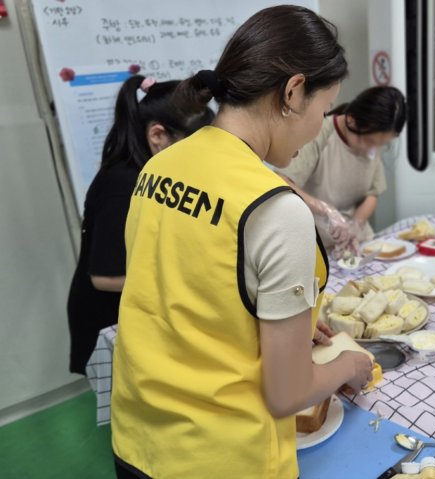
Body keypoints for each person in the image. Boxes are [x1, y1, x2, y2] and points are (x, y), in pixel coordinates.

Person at [110, 6, 374, 479]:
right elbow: (288, 394)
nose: (320, 124)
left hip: (138, 438)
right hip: (223, 458)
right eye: (324, 108)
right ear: (293, 92)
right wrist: (348, 367)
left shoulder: (160, 166)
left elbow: (182, 292)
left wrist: (285, 324)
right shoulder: (275, 208)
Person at [66, 75, 213, 375]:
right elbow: (104, 278)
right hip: (108, 322)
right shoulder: (123, 185)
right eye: (194, 148)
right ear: (158, 135)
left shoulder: (156, 172)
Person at [276, 85, 406, 256]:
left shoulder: (373, 142)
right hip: (317, 244)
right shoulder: (319, 133)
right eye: (369, 141)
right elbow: (281, 181)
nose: (373, 149)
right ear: (351, 120)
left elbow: (373, 193)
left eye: (381, 144)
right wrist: (325, 210)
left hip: (356, 241)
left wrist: (356, 225)